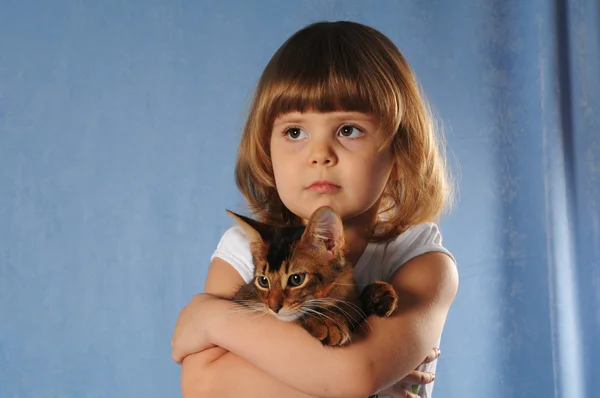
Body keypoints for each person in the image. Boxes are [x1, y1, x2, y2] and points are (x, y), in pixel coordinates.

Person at [171, 20, 459, 398]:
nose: (320, 154)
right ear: (266, 152)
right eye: (295, 132)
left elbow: (354, 377)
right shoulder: (244, 251)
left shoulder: (420, 262)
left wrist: (213, 318)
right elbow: (203, 387)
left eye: (348, 129)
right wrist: (340, 377)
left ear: (399, 152)